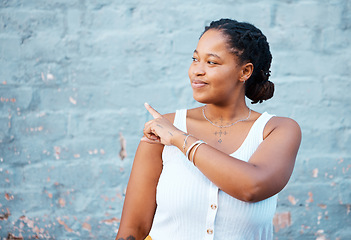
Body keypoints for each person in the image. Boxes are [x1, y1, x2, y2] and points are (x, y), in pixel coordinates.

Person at [115, 19, 301, 240]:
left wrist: (179, 139)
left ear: (245, 71)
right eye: (195, 59)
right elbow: (133, 230)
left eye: (211, 62)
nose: (197, 71)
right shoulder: (163, 128)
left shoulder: (277, 130)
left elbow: (252, 187)